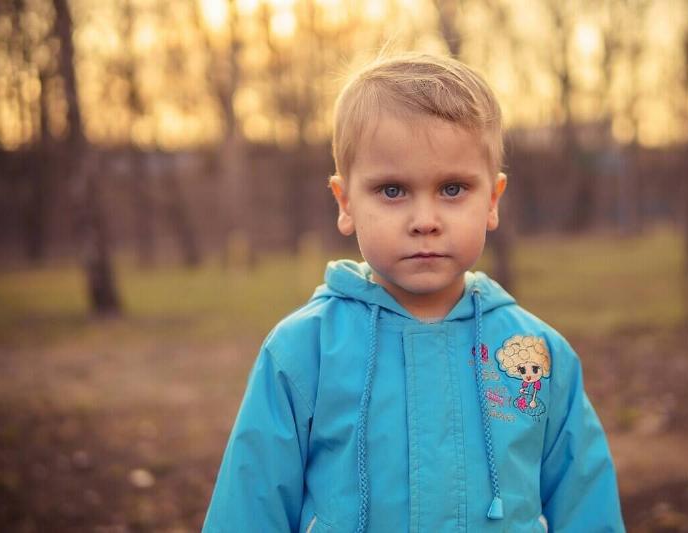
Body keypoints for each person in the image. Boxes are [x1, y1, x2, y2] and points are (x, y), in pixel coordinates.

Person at [203, 52, 624, 532]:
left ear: (492, 200)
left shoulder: (536, 355)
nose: (425, 220)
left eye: (452, 189)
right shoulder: (302, 353)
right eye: (392, 191)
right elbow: (248, 508)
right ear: (345, 203)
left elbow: (587, 505)